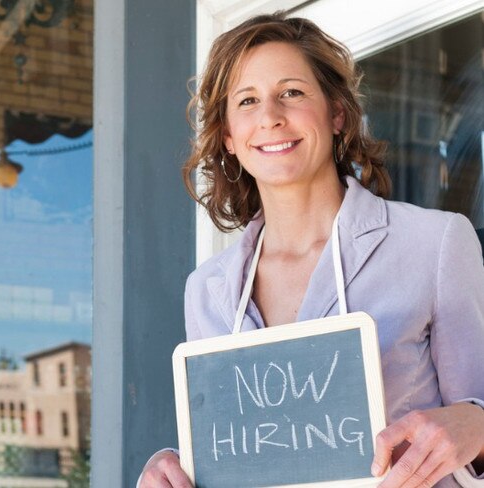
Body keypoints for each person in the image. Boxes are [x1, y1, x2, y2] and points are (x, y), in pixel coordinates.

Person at [138, 11, 484, 488]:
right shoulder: (209, 290)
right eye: (247, 101)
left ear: (336, 113)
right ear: (229, 138)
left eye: (292, 93)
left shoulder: (436, 244)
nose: (271, 117)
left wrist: (477, 426)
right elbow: (242, 446)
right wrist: (171, 463)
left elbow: (477, 414)